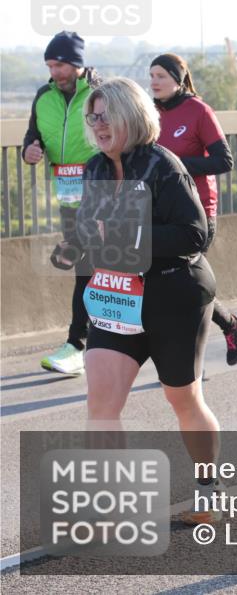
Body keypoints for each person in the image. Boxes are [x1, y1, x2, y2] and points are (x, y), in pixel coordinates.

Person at [76, 77, 223, 525]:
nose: (98, 125)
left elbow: (195, 235)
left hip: (173, 291)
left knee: (183, 398)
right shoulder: (95, 168)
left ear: (131, 117)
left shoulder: (164, 165)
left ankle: (208, 487)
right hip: (118, 295)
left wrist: (128, 236)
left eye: (107, 115)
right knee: (101, 401)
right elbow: (87, 232)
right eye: (92, 116)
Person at [149, 53, 237, 365]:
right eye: (151, 75)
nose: (154, 82)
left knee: (187, 281)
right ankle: (230, 324)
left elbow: (224, 160)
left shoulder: (198, 111)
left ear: (178, 80)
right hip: (159, 214)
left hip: (197, 212)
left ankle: (195, 355)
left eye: (161, 76)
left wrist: (177, 166)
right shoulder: (148, 114)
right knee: (175, 283)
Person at [21, 31, 100, 376]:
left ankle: (78, 345)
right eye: (50, 65)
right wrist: (30, 152)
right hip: (68, 196)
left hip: (104, 194)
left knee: (100, 268)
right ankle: (84, 346)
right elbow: (31, 137)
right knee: (88, 268)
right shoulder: (44, 96)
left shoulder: (100, 94)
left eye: (60, 65)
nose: (54, 71)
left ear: (77, 64)